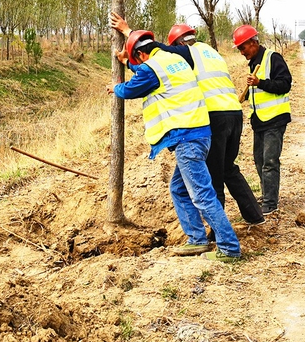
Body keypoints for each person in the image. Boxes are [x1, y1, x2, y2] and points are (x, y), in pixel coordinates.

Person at [111, 13, 265, 226]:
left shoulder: (187, 52)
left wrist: (128, 32)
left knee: (212, 175)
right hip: (234, 113)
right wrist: (130, 64)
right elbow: (156, 68)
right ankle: (255, 216)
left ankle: (217, 233)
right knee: (228, 167)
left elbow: (156, 54)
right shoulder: (210, 52)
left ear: (179, 44)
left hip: (214, 117)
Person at [108, 28, 242, 262]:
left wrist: (115, 88)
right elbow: (146, 71)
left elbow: (131, 88)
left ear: (140, 55)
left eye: (135, 60)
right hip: (200, 135)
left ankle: (230, 248)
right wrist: (129, 64)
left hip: (186, 139)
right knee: (179, 189)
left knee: (202, 195)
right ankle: (197, 240)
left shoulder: (152, 69)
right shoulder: (174, 60)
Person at [232, 24, 292, 216]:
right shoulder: (253, 62)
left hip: (274, 119)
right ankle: (267, 195)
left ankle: (270, 202)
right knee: (259, 161)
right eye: (239, 49)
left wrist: (261, 83)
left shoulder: (273, 58)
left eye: (243, 47)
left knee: (269, 162)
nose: (241, 52)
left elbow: (285, 84)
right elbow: (258, 93)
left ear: (253, 43)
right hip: (259, 121)